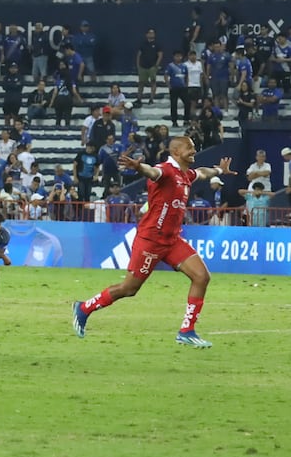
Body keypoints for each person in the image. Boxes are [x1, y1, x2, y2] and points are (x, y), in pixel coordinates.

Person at [72, 138, 234, 348]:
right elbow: (153, 172)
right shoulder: (165, 170)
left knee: (202, 276)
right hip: (151, 240)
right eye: (189, 148)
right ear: (175, 151)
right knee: (129, 288)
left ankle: (187, 331)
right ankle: (84, 308)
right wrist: (139, 167)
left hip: (172, 240)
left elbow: (203, 173)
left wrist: (219, 171)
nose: (194, 151)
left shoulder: (186, 174)